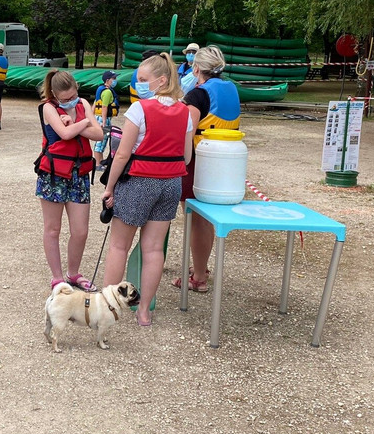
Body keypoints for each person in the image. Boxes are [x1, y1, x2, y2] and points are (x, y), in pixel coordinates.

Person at [100, 52, 192, 325]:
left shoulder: (141, 109)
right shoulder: (184, 111)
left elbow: (122, 154)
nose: (138, 83)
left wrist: (110, 186)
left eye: (143, 79)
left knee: (119, 245)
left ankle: (108, 307)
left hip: (139, 181)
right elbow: (186, 156)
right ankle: (144, 312)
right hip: (170, 183)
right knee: (153, 250)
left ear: (160, 80)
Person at [176, 45, 242, 293]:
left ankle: (199, 276)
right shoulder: (231, 89)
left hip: (198, 161)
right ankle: (200, 266)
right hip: (224, 161)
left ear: (196, 68)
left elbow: (187, 131)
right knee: (205, 220)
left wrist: (180, 163)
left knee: (197, 220)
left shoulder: (197, 95)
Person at [34, 70, 104, 291]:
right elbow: (64, 134)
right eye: (64, 99)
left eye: (72, 96)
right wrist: (83, 124)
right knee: (53, 228)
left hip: (79, 174)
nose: (69, 101)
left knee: (80, 230)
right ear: (54, 94)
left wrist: (74, 121)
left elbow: (100, 134)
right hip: (53, 174)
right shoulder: (48, 107)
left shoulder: (83, 102)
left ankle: (73, 273)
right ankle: (57, 278)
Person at [93, 70, 119, 164]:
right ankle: (98, 163)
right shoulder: (107, 92)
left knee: (101, 140)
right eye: (114, 78)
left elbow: (95, 103)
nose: (115, 80)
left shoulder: (100, 89)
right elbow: (104, 106)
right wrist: (104, 122)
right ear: (108, 80)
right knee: (101, 141)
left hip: (99, 117)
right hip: (104, 118)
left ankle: (99, 161)